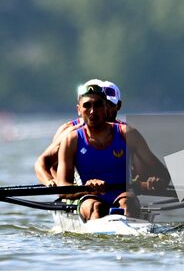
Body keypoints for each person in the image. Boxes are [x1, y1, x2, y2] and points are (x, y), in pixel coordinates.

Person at [53, 81, 170, 221]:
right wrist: (87, 188)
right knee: (96, 207)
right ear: (79, 110)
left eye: (97, 105)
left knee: (127, 204)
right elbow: (62, 188)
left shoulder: (127, 134)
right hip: (89, 197)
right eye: (87, 105)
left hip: (124, 195)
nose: (92, 111)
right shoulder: (71, 140)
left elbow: (164, 175)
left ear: (106, 108)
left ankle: (128, 235)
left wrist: (155, 181)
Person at [33, 78, 121, 186]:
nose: (106, 111)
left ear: (118, 106)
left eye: (109, 105)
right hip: (79, 191)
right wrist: (53, 182)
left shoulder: (125, 131)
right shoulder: (70, 132)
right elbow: (45, 164)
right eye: (89, 105)